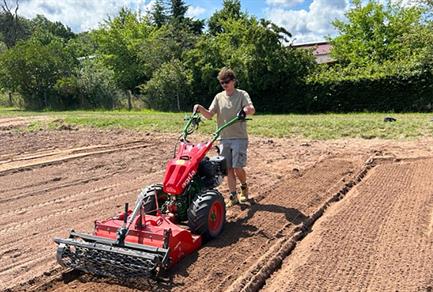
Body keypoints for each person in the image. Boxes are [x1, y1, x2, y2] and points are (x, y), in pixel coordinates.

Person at [194, 68, 255, 207]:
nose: (224, 85)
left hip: (239, 137)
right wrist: (200, 108)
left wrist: (245, 111)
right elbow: (209, 115)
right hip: (224, 138)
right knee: (228, 169)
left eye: (226, 81)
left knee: (238, 167)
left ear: (233, 81)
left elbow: (251, 109)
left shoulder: (241, 94)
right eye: (222, 82)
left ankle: (244, 187)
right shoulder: (218, 97)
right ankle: (233, 196)